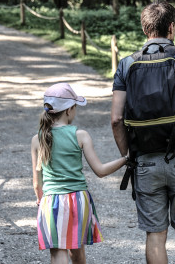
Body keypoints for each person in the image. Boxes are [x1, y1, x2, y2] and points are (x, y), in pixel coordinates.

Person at [111, 1, 175, 264]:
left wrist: (128, 155)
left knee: (155, 235)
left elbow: (116, 118)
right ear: (171, 27)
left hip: (144, 160)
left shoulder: (126, 64)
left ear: (145, 29)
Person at [31, 83, 128, 264]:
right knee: (77, 249)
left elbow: (37, 183)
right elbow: (100, 171)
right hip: (78, 201)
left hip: (51, 201)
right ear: (69, 110)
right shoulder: (80, 135)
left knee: (58, 252)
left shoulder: (38, 139)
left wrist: (39, 197)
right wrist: (126, 159)